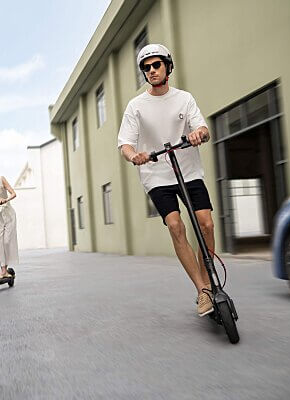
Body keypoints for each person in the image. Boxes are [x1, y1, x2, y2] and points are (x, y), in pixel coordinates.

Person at [117, 44, 215, 316]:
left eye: (156, 65)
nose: (151, 70)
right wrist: (134, 155)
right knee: (175, 226)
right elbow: (125, 143)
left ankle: (209, 283)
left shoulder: (184, 98)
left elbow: (203, 128)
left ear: (168, 67)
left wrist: (199, 134)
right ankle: (202, 290)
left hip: (189, 170)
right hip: (156, 176)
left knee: (206, 224)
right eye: (146, 67)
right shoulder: (136, 106)